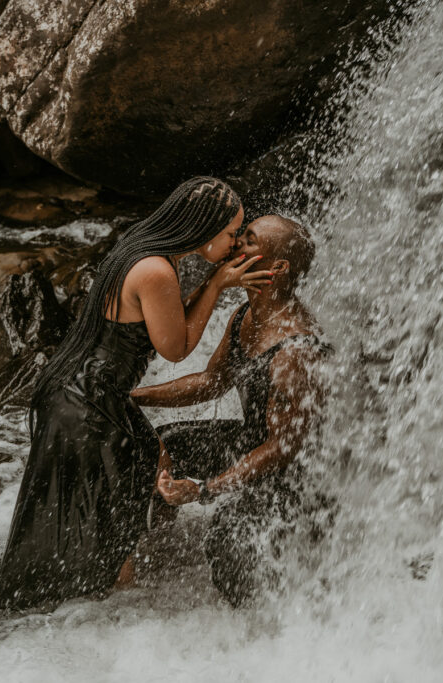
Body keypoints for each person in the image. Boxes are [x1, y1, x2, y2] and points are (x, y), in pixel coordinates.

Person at [0, 177, 273, 611]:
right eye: (232, 231)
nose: (236, 241)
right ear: (203, 226)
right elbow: (175, 347)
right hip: (88, 406)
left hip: (81, 394)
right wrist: (217, 285)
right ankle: (109, 607)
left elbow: (167, 323)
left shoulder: (146, 247)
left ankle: (84, 596)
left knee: (140, 467)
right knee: (108, 516)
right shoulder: (157, 270)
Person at [126, 214, 333, 606]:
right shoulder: (246, 316)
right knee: (157, 448)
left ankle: (251, 627)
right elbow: (211, 382)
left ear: (277, 267)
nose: (237, 242)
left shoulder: (298, 350)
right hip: (249, 442)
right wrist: (136, 395)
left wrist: (205, 489)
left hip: (294, 477)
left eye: (250, 240)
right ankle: (155, 559)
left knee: (227, 533)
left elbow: (282, 449)